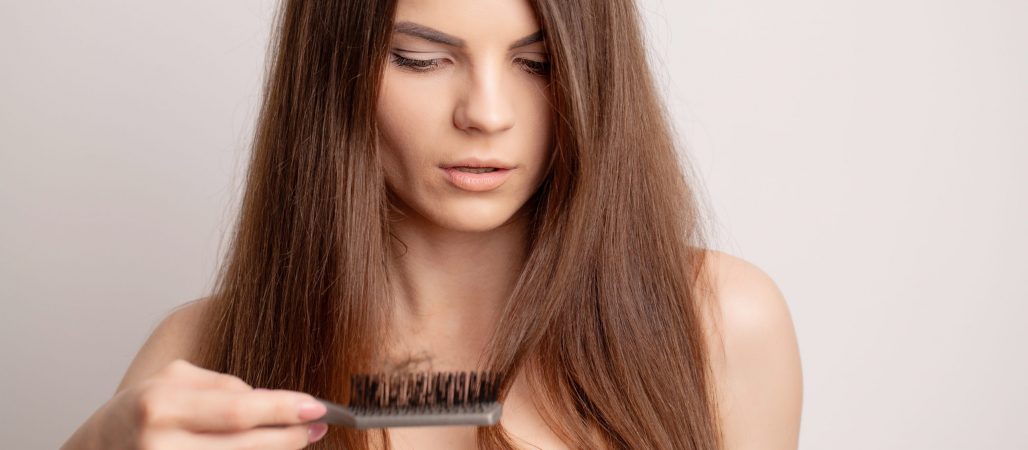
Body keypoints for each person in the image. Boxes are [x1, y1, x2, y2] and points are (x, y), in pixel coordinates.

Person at [61, 0, 803, 448]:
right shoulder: (202, 355)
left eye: (537, 64)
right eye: (421, 59)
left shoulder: (719, 325)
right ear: (333, 71)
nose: (486, 113)